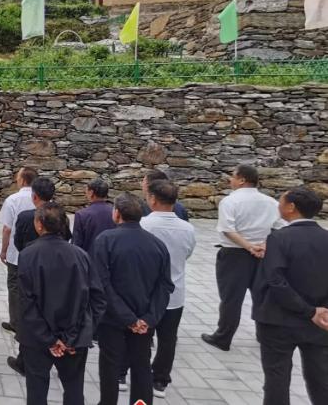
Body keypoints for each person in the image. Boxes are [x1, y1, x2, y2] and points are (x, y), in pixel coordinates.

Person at [11, 202, 106, 405]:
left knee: (37, 390)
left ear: (39, 224)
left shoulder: (28, 255)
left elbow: (27, 303)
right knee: (74, 389)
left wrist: (49, 339)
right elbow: (97, 300)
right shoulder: (81, 255)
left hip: (37, 339)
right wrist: (77, 334)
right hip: (74, 337)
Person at [92, 194, 173, 405]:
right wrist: (149, 318)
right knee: (141, 365)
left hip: (113, 317)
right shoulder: (157, 245)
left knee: (110, 365)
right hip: (144, 319)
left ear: (117, 214)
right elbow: (165, 286)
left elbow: (101, 283)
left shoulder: (105, 240)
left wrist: (128, 318)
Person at [253, 187, 328, 405]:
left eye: (281, 201)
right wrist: (320, 310)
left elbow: (276, 281)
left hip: (279, 320)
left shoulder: (279, 238)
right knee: (320, 377)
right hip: (320, 320)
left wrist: (308, 310)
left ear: (291, 207)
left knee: (277, 378)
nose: (278, 205)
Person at [202, 164, 282, 352]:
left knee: (231, 298)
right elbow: (280, 227)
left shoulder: (230, 201)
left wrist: (248, 246)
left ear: (242, 180)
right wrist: (264, 245)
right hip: (263, 254)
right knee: (261, 296)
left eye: (233, 176)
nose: (230, 179)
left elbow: (227, 229)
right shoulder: (271, 202)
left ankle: (223, 337)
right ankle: (264, 335)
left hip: (234, 254)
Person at [140, 180, 196, 398]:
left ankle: (137, 372)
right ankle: (160, 379)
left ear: (153, 199)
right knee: (168, 338)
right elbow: (187, 253)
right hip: (175, 292)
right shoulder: (188, 228)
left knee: (142, 336)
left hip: (146, 292)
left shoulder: (144, 225)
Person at [0, 166, 36, 334]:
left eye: (18, 177)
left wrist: (4, 250)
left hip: (16, 251)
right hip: (37, 252)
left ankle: (15, 322)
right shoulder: (43, 199)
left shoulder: (13, 199)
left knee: (14, 286)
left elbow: (7, 228)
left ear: (23, 180)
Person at [14, 177, 71, 252]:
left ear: (34, 197)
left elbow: (18, 242)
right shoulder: (60, 214)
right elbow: (66, 237)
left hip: (30, 255)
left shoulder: (24, 217)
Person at [71, 178, 115, 254]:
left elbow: (77, 244)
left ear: (91, 193)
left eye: (86, 190)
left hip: (89, 258)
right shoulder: (115, 212)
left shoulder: (81, 215)